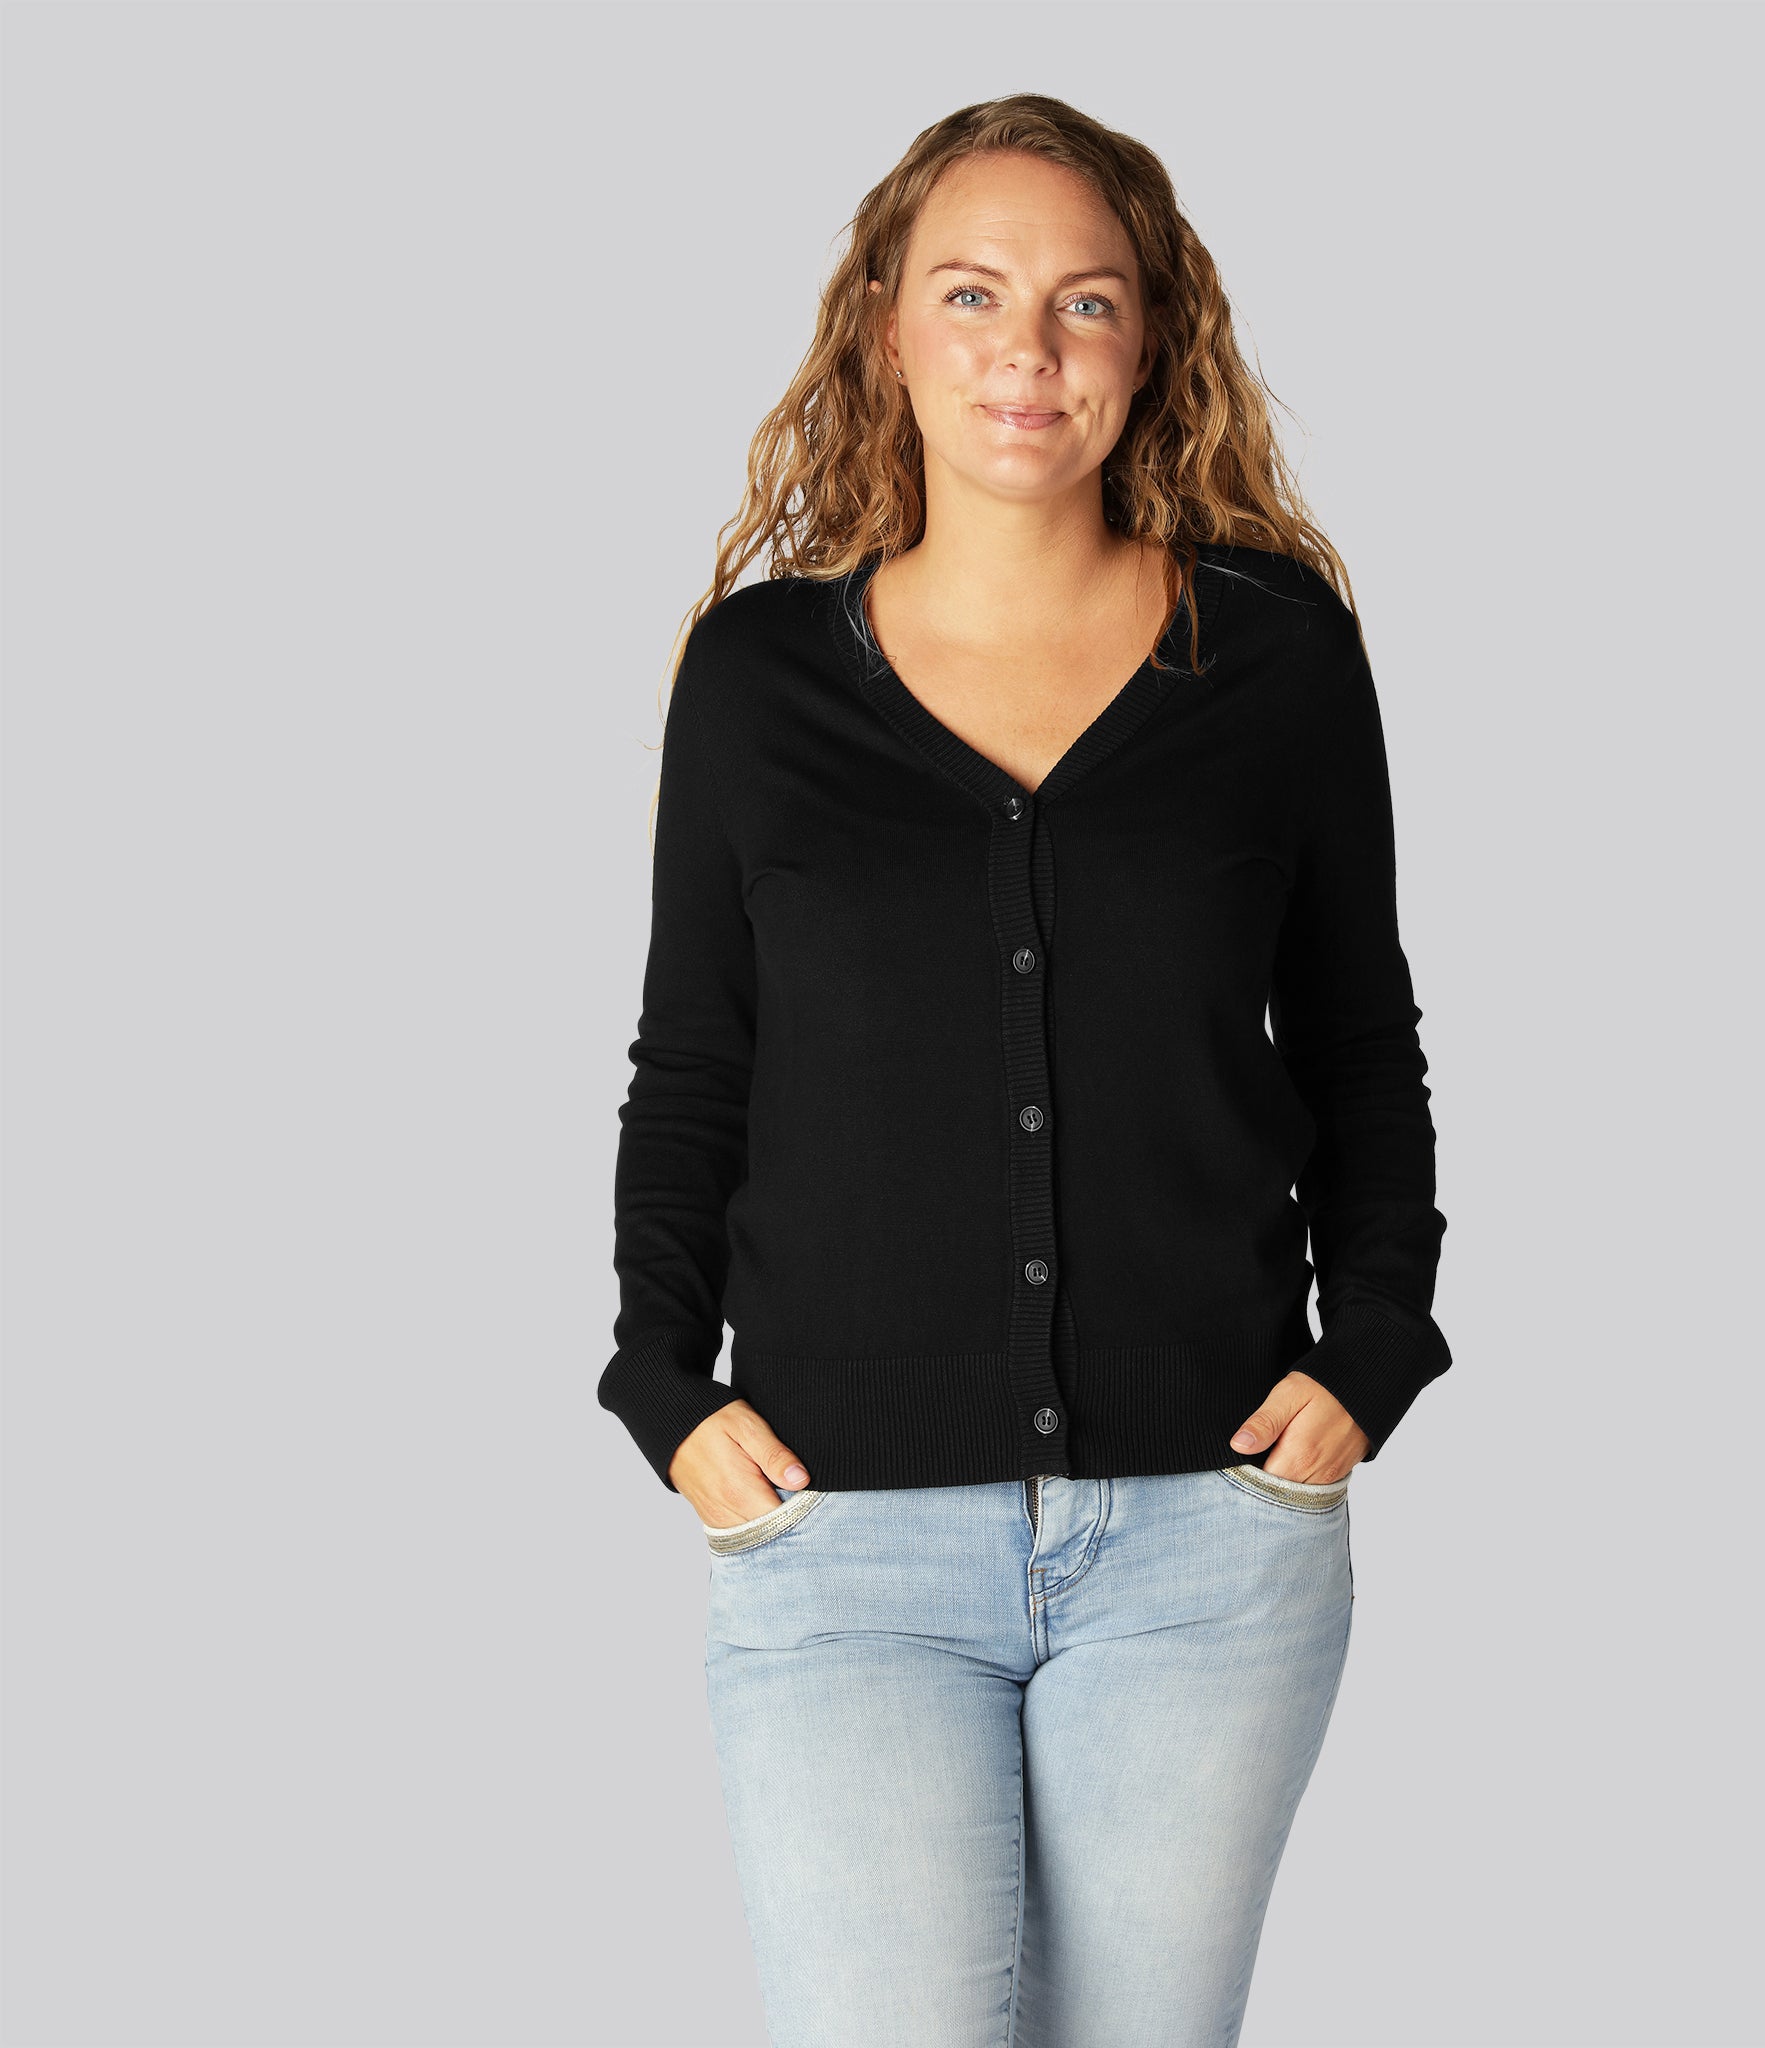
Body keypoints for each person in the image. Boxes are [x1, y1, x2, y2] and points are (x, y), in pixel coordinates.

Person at [598, 92, 1454, 2048]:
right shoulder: (757, 678)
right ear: (886, 324)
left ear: (1149, 343)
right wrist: (661, 1380)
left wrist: (1377, 1348)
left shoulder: (1274, 657)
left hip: (1207, 1539)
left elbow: (1358, 1038)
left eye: (1085, 301)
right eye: (974, 292)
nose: (1029, 350)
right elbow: (694, 1060)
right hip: (842, 1540)